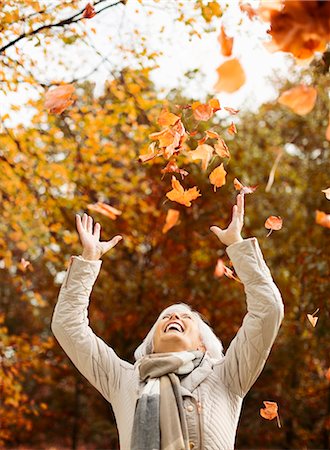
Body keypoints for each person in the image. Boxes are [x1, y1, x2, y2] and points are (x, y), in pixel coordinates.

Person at [51, 194, 284, 450]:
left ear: (203, 345)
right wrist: (89, 259)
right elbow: (68, 326)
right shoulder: (124, 380)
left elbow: (267, 311)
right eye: (166, 317)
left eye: (186, 318)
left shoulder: (227, 375)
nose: (174, 317)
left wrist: (237, 245)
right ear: (151, 343)